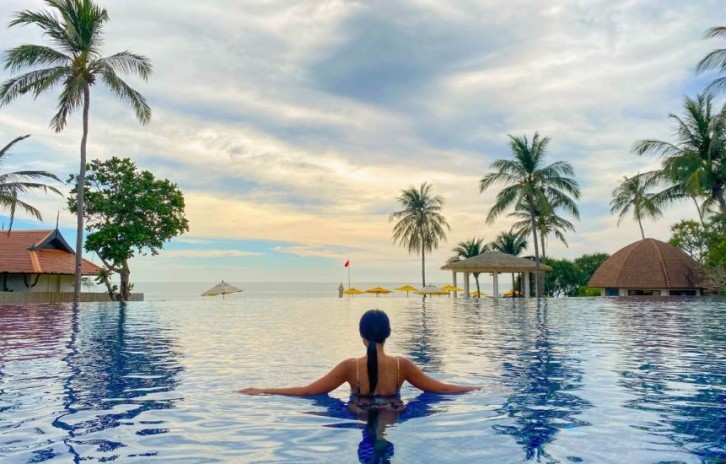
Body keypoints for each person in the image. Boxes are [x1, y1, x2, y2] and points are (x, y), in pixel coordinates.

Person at [238, 309, 483, 398]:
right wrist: (477, 388)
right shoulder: (402, 366)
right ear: (388, 333)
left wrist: (263, 390)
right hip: (393, 414)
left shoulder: (350, 367)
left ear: (361, 335)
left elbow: (308, 391)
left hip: (359, 414)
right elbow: (441, 389)